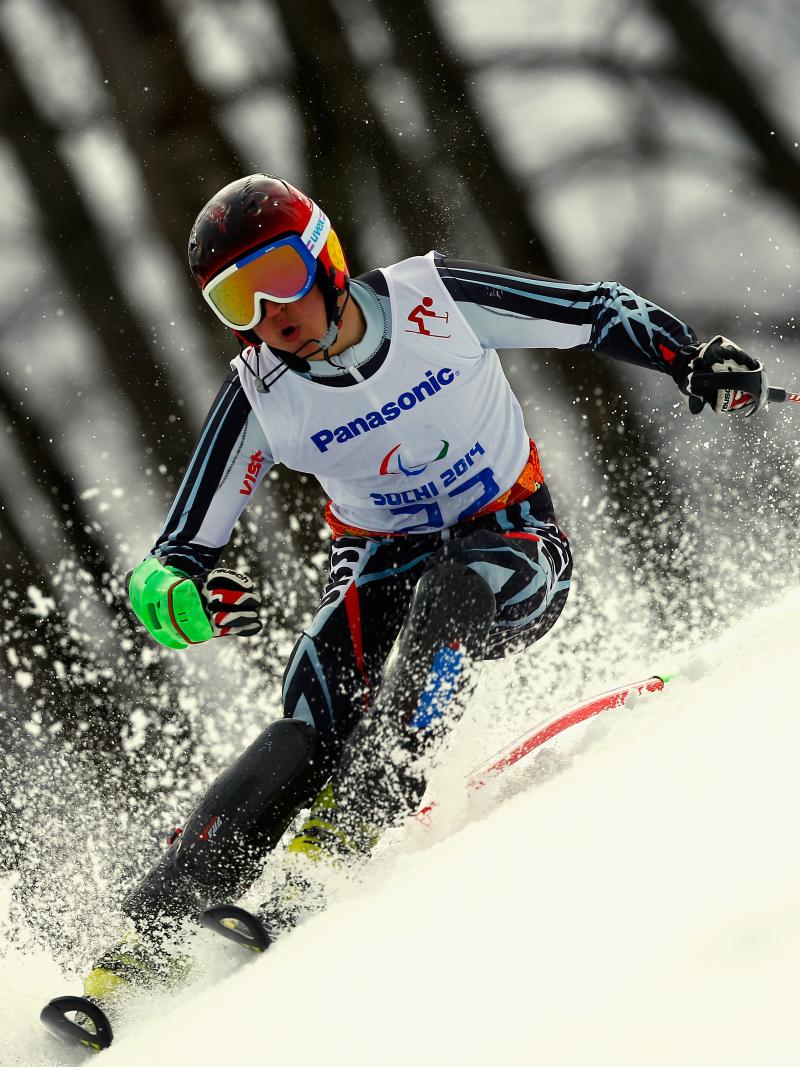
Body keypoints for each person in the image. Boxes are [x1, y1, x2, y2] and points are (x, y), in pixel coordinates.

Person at [84, 173, 769, 1001]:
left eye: (277, 278)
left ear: (324, 256)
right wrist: (191, 601)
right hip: (378, 564)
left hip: (514, 543)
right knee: (305, 725)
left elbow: (593, 308)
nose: (270, 316)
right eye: (238, 301)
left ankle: (359, 813)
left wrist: (688, 357)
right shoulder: (261, 392)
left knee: (455, 589)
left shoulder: (431, 299)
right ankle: (144, 936)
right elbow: (166, 566)